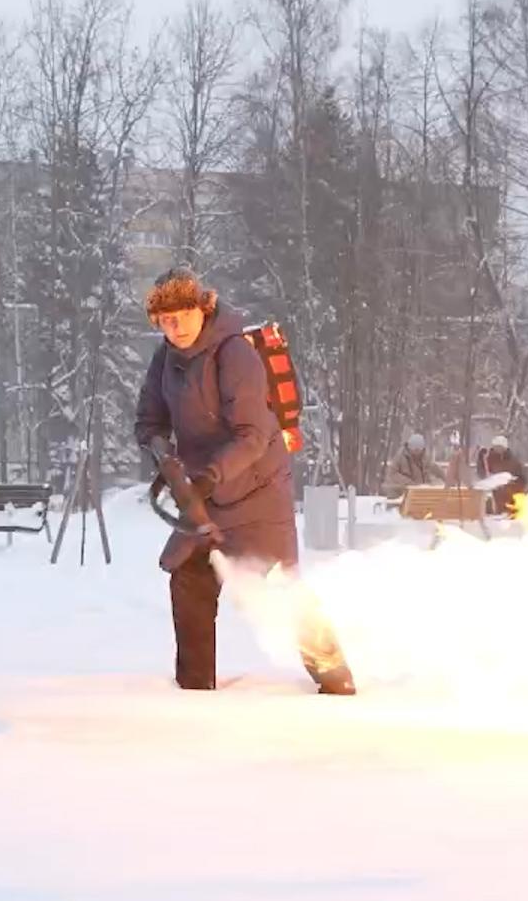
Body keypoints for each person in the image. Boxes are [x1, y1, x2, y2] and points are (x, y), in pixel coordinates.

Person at [134, 267, 356, 695]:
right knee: (189, 576)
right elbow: (149, 419)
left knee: (277, 587)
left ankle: (336, 680)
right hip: (202, 490)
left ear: (201, 308)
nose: (174, 325)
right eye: (164, 319)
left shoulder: (233, 353)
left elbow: (253, 435)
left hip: (256, 489)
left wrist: (208, 476)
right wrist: (164, 455)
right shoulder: (166, 358)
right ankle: (195, 689)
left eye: (181, 314)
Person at [479, 435, 528, 515]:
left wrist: (512, 484)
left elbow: (522, 478)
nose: (498, 449)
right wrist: (480, 459)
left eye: (500, 447)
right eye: (496, 447)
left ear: (505, 447)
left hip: (509, 497)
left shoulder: (513, 461)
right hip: (494, 498)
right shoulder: (488, 459)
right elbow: (482, 473)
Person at [384, 432, 437, 499]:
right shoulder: (400, 457)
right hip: (399, 491)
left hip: (419, 492)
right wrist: (410, 483)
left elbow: (435, 469)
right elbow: (393, 473)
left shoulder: (425, 458)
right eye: (415, 449)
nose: (417, 452)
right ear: (410, 447)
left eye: (419, 450)